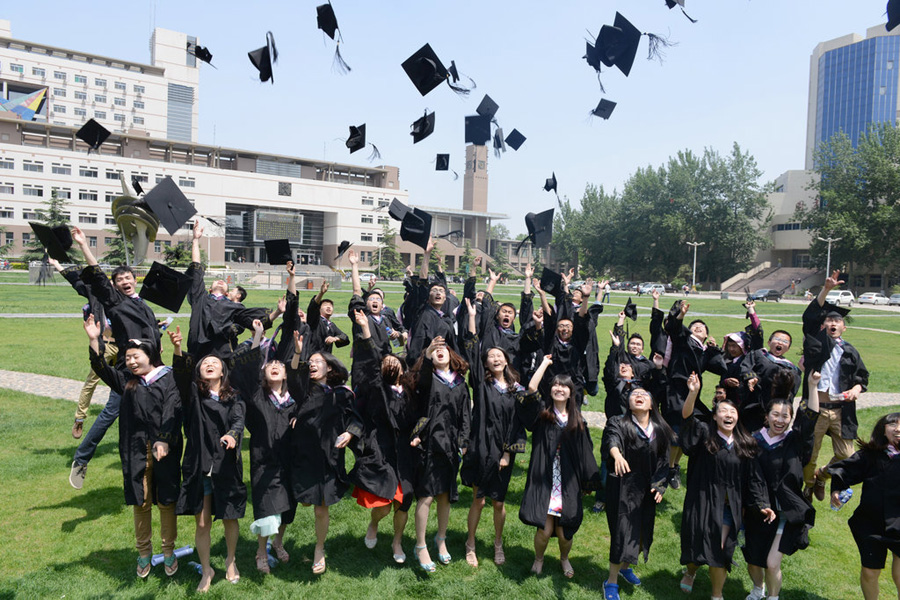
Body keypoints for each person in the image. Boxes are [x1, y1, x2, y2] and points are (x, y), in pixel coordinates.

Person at [83, 315, 182, 578]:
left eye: (136, 356)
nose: (131, 361)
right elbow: (101, 367)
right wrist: (94, 340)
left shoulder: (169, 379)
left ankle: (169, 550)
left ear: (150, 356)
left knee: (166, 501)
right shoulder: (127, 383)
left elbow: (173, 409)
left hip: (165, 449)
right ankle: (143, 553)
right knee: (141, 501)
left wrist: (164, 438)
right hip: (136, 450)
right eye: (128, 358)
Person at [69, 226, 162, 490]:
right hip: (128, 369)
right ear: (116, 284)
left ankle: (155, 465)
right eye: (119, 279)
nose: (124, 281)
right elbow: (97, 276)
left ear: (135, 279)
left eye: (127, 277)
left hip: (153, 369)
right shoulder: (115, 302)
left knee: (158, 414)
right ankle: (82, 458)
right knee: (111, 413)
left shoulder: (144, 306)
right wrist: (85, 245)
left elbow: (151, 334)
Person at [678, 372, 773, 599]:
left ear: (738, 417)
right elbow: (688, 420)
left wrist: (762, 503)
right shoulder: (704, 435)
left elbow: (754, 478)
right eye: (723, 411)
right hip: (702, 501)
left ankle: (717, 595)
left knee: (720, 550)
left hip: (729, 508)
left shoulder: (745, 444)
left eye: (732, 412)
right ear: (714, 416)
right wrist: (693, 393)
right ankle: (691, 571)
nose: (728, 415)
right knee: (698, 545)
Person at [169, 326, 246, 591]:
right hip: (200, 464)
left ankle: (231, 560)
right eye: (205, 364)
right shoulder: (193, 397)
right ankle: (206, 570)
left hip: (226, 463)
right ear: (199, 372)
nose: (210, 364)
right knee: (201, 521)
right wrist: (178, 349)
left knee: (229, 516)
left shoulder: (233, 397)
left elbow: (238, 420)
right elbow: (180, 377)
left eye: (215, 363)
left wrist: (234, 435)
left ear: (223, 371)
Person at [459, 298, 534, 568]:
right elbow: (471, 346)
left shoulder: (516, 388)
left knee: (499, 503)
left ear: (506, 360)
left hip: (503, 450)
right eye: (491, 357)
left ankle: (498, 544)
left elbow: (517, 423)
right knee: (478, 500)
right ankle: (470, 543)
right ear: (486, 364)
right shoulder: (481, 383)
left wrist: (507, 453)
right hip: (481, 446)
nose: (495, 358)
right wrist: (471, 317)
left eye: (499, 356)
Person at [286, 331, 362, 575]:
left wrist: (350, 433)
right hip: (300, 454)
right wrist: (298, 353)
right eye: (311, 363)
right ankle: (277, 542)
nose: (312, 366)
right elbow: (294, 376)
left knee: (321, 507)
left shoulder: (342, 393)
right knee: (291, 502)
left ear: (330, 368)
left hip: (328, 457)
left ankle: (319, 548)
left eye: (317, 362)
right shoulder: (303, 390)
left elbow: (356, 419)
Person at [519, 355, 601, 579]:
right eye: (555, 385)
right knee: (544, 531)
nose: (559, 389)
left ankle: (564, 558)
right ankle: (539, 558)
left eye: (564, 386)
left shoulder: (577, 419)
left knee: (565, 533)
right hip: (546, 477)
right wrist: (544, 364)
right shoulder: (542, 414)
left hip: (568, 480)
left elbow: (585, 452)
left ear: (570, 392)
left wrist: (587, 481)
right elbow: (532, 388)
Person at [742, 369, 819, 600]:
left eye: (786, 416)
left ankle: (773, 598)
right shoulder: (754, 441)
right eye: (776, 415)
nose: (780, 420)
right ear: (766, 416)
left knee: (772, 562)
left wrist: (813, 386)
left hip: (786, 509)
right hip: (757, 507)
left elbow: (810, 419)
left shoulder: (794, 441)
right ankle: (758, 589)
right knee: (754, 559)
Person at [349, 309, 418, 564]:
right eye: (386, 362)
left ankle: (397, 541)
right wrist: (366, 329)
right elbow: (369, 359)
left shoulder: (411, 390)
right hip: (382, 448)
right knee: (385, 504)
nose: (390, 363)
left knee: (404, 502)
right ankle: (374, 524)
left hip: (406, 450)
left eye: (395, 362)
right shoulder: (377, 387)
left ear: (403, 368)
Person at [228, 320, 296, 575]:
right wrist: (257, 336)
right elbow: (246, 371)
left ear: (287, 373)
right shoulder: (257, 395)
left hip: (289, 460)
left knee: (288, 508)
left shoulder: (292, 400)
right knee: (268, 510)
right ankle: (261, 551)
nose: (275, 366)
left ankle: (278, 542)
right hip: (264, 461)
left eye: (280, 365)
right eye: (271, 365)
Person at [601, 387, 675, 600]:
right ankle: (611, 582)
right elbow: (611, 440)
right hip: (622, 486)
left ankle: (625, 568)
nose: (639, 396)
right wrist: (616, 456)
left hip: (646, 489)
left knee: (642, 532)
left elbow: (664, 462)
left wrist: (660, 486)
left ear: (651, 404)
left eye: (644, 394)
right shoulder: (618, 422)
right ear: (628, 403)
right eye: (634, 394)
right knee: (621, 533)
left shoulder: (660, 429)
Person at [802, 270, 869, 502]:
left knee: (847, 456)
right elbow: (810, 318)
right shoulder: (814, 344)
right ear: (822, 326)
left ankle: (822, 475)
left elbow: (862, 377)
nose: (833, 323)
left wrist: (856, 390)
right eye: (829, 320)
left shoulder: (850, 350)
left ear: (844, 327)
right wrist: (826, 289)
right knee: (810, 453)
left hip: (842, 410)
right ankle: (808, 487)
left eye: (837, 320)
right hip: (816, 408)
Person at [409, 335, 472, 573]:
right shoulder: (426, 380)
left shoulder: (460, 383)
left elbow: (466, 415)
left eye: (443, 348)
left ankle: (441, 539)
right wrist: (426, 356)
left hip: (450, 447)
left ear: (451, 354)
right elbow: (422, 380)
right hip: (428, 444)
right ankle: (421, 544)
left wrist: (464, 441)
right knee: (426, 496)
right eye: (434, 350)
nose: (440, 351)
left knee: (445, 495)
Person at [827, 412, 900, 600]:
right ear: (883, 429)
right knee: (870, 572)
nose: (898, 429)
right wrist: (837, 490)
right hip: (871, 522)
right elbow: (844, 470)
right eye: (893, 424)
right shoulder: (871, 455)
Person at [47, 256, 118, 440]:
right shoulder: (95, 294)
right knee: (91, 381)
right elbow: (75, 282)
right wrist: (57, 264)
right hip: (104, 345)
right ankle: (79, 418)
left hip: (124, 348)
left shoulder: (124, 298)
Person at [664, 301, 727, 490]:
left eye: (702, 327)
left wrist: (715, 349)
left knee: (692, 429)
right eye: (694, 326)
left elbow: (720, 367)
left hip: (693, 394)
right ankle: (669, 468)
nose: (698, 327)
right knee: (676, 431)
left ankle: (673, 466)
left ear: (706, 334)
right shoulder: (684, 341)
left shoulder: (704, 350)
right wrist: (681, 315)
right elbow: (674, 328)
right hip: (677, 392)